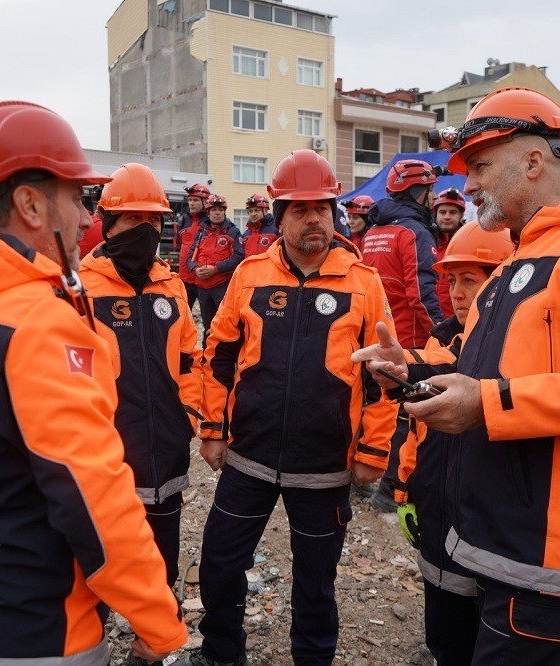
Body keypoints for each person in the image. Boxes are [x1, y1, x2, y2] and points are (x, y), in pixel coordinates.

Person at [354, 87, 560, 664]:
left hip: (548, 553)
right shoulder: (519, 260)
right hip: (491, 536)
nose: (469, 185)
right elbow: (484, 370)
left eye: (481, 166)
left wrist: (488, 404)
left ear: (534, 161)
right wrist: (413, 369)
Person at [0, 100, 186, 664]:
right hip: (22, 634)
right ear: (29, 204)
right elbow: (95, 500)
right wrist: (159, 622)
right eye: (76, 199)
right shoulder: (37, 323)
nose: (87, 220)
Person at [186, 150, 397, 666]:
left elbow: (383, 375)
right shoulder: (250, 274)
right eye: (300, 210)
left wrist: (373, 450)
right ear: (280, 218)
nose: (313, 220)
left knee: (316, 584)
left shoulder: (363, 281)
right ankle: (220, 654)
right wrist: (212, 429)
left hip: (324, 468)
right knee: (219, 565)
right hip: (248, 459)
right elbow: (218, 356)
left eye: (322, 209)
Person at [79, 162, 202, 606]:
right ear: (108, 223)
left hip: (167, 451)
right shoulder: (79, 290)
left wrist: (188, 416)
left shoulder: (172, 287)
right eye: (133, 218)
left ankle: (153, 635)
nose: (146, 229)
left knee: (161, 559)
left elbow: (190, 360)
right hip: (106, 457)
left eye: (154, 219)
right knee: (99, 564)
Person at [392, 221, 514, 666]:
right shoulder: (442, 338)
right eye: (451, 281)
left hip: (491, 524)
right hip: (437, 510)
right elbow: (414, 425)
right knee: (444, 627)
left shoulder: (516, 350)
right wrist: (404, 489)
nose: (457, 293)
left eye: (470, 281)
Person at [363, 159, 444, 348]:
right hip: (411, 341)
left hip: (376, 339)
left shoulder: (370, 234)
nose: (434, 197)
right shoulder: (415, 233)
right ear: (416, 192)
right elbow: (420, 294)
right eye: (430, 190)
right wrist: (443, 335)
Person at [186, 194, 244, 335]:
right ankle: (207, 349)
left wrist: (216, 269)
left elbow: (239, 257)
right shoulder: (201, 232)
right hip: (202, 288)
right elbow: (190, 256)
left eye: (220, 210)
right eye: (214, 210)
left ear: (224, 212)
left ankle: (223, 349)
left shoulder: (233, 232)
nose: (217, 213)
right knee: (207, 326)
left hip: (222, 287)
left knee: (225, 325)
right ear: (208, 212)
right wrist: (195, 269)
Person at [174, 183, 211, 310]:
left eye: (195, 200)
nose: (191, 203)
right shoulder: (183, 220)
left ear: (205, 201)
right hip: (185, 277)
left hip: (204, 277)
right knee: (183, 313)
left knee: (209, 316)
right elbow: (179, 244)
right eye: (190, 200)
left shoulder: (211, 222)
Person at [432, 187, 467, 319]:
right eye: (442, 212)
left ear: (461, 215)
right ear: (435, 214)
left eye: (452, 212)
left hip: (459, 319)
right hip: (431, 320)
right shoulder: (425, 244)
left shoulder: (469, 244)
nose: (447, 217)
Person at [240, 193, 278, 257]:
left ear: (265, 211)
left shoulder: (277, 229)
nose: (253, 214)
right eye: (250, 211)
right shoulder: (245, 234)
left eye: (256, 210)